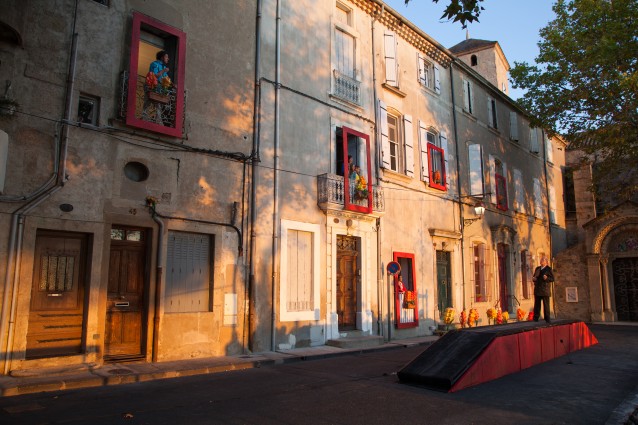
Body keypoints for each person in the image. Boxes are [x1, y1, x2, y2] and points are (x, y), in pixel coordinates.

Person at [532, 256, 555, 323]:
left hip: (545, 289)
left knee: (546, 305)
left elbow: (552, 279)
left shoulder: (548, 269)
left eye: (542, 260)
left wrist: (547, 278)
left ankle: (547, 318)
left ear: (546, 261)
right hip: (538, 289)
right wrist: (534, 279)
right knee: (537, 304)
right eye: (541, 260)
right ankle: (536, 318)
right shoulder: (537, 268)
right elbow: (534, 277)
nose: (541, 261)